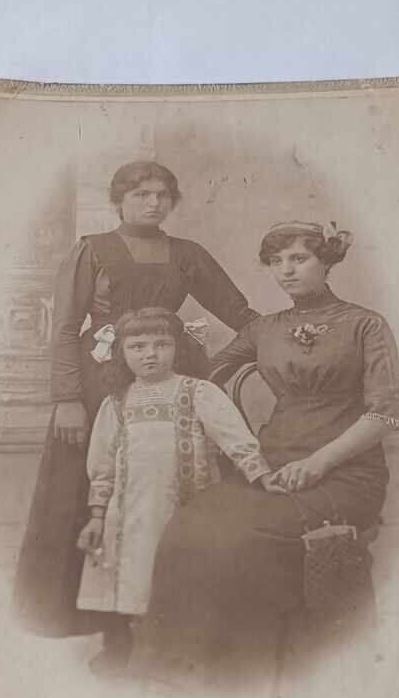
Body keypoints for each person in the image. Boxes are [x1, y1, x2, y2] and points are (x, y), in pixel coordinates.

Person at [133, 220, 399, 688]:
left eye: (298, 259)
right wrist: (159, 345)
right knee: (190, 525)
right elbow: (207, 378)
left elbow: (386, 416)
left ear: (326, 262)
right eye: (277, 263)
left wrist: (318, 463)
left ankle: (254, 670)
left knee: (245, 539)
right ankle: (182, 670)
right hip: (272, 465)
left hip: (343, 473)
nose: (286, 271)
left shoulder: (366, 324)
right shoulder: (264, 328)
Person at [13, 160, 258, 652]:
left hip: (168, 376)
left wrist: (239, 358)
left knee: (173, 486)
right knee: (94, 485)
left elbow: (242, 315)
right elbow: (64, 327)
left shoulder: (188, 254)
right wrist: (66, 399)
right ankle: (105, 625)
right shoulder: (92, 251)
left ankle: (173, 616)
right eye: (142, 194)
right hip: (95, 384)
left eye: (163, 195)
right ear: (119, 200)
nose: (153, 203)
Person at [75, 309, 278, 675]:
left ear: (178, 348)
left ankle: (183, 657)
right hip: (129, 512)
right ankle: (134, 654)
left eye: (161, 344)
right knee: (135, 576)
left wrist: (262, 475)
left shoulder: (197, 392)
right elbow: (102, 465)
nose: (150, 354)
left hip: (185, 510)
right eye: (137, 346)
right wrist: (96, 516)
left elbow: (236, 439)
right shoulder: (117, 403)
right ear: (120, 352)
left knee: (183, 577)